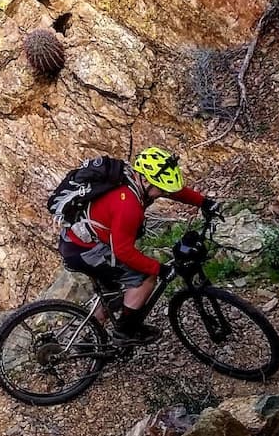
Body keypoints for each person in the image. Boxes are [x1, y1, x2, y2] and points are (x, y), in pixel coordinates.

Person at [57, 147, 220, 344]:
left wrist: (203, 202)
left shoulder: (133, 178)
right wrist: (159, 269)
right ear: (145, 180)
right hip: (86, 251)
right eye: (160, 189)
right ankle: (126, 332)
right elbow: (123, 251)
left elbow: (172, 190)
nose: (162, 194)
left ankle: (88, 342)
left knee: (113, 294)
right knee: (145, 278)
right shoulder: (128, 205)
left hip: (78, 241)